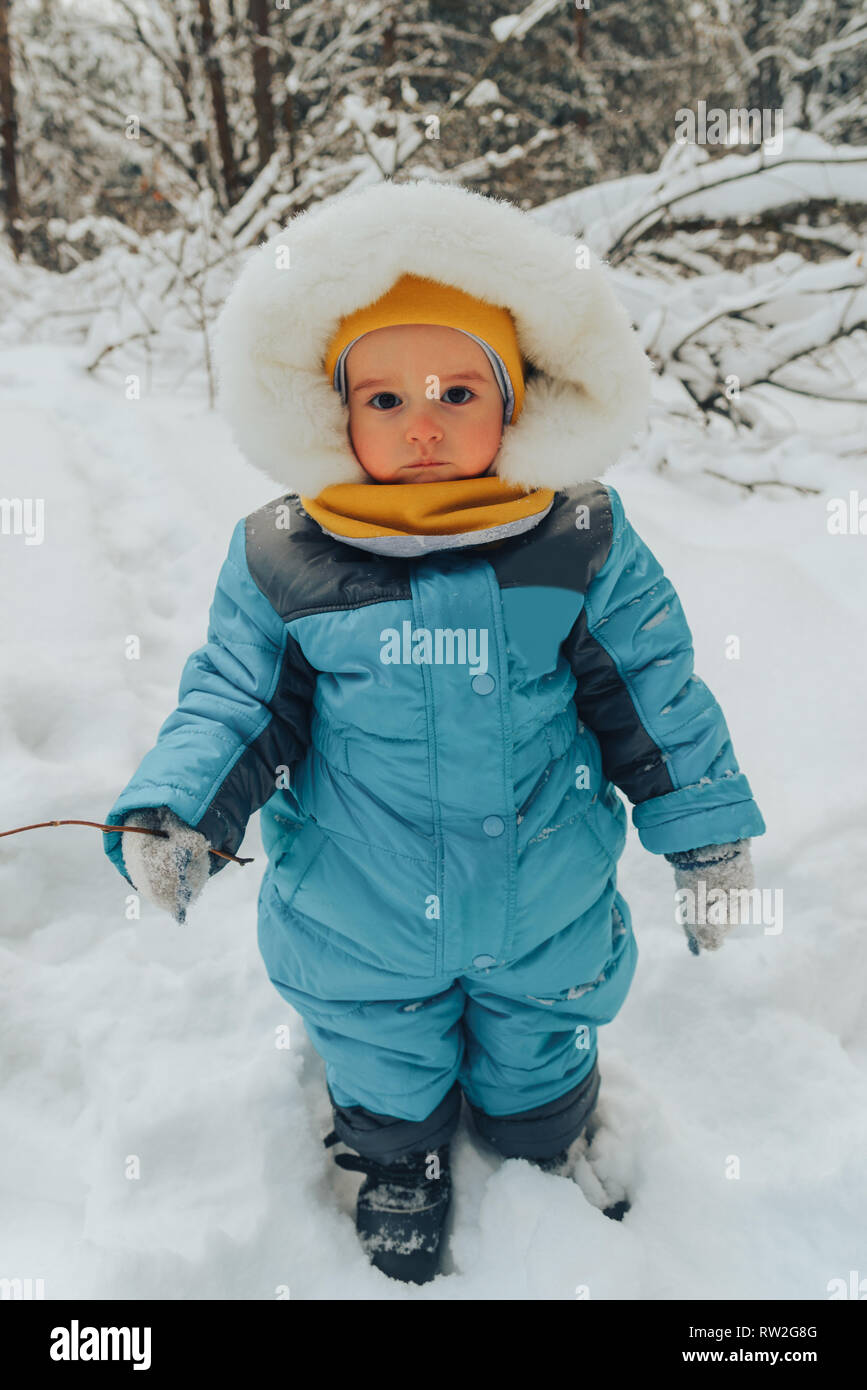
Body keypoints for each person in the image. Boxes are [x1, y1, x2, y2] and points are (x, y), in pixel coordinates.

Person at [102, 179, 765, 1286]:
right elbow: (233, 696)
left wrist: (705, 831)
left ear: (517, 403)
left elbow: (653, 693)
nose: (423, 422)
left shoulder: (576, 537)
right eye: (386, 396)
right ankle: (397, 1157)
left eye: (460, 389)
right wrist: (180, 806)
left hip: (544, 897)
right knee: (381, 1049)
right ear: (336, 412)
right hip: (360, 912)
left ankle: (545, 1137)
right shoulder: (284, 553)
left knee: (538, 1048)